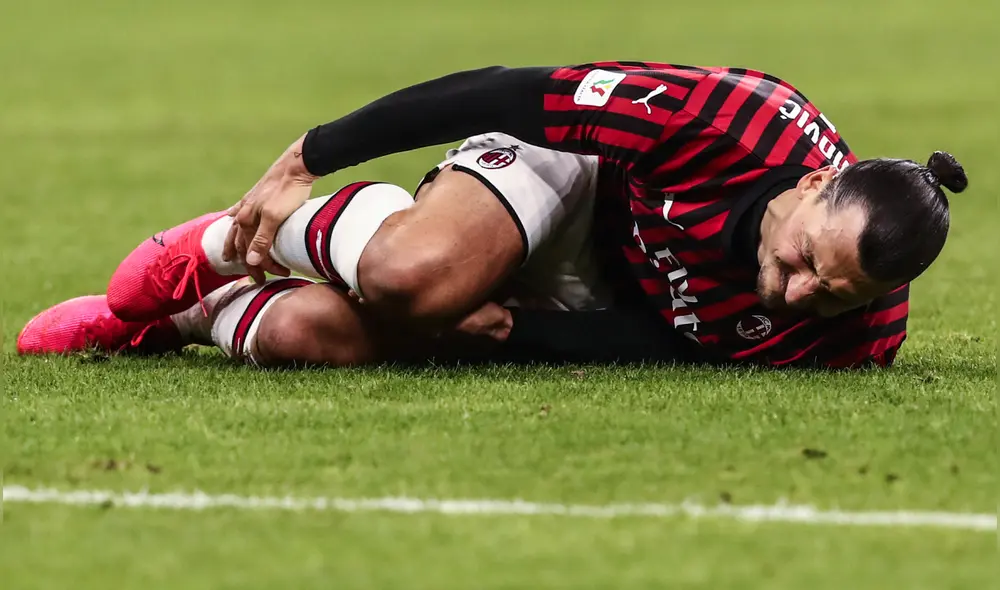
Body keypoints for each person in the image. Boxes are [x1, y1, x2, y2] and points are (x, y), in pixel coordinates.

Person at [19, 62, 968, 368]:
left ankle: (186, 315)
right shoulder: (729, 121)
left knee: (321, 337)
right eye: (806, 259)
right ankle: (218, 244)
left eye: (828, 294)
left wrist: (509, 332)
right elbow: (510, 91)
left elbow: (660, 344)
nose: (797, 292)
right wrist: (307, 157)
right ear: (810, 188)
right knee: (412, 280)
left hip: (598, 282)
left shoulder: (852, 332)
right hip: (580, 179)